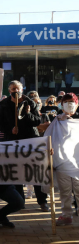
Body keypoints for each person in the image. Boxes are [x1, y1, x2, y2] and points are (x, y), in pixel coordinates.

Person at [0, 80, 49, 212]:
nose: (16, 91)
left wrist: (27, 113)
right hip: (14, 142)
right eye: (13, 89)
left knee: (35, 171)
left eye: (18, 88)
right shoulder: (3, 104)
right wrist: (10, 130)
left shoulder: (29, 102)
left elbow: (37, 120)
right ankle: (20, 201)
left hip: (31, 140)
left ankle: (42, 201)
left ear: (22, 89)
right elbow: (0, 125)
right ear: (9, 91)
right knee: (17, 172)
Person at [54, 93, 79, 226]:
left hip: (78, 163)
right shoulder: (57, 120)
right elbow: (50, 137)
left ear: (77, 103)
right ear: (62, 105)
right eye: (66, 101)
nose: (69, 104)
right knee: (65, 191)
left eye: (72, 101)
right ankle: (66, 215)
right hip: (62, 162)